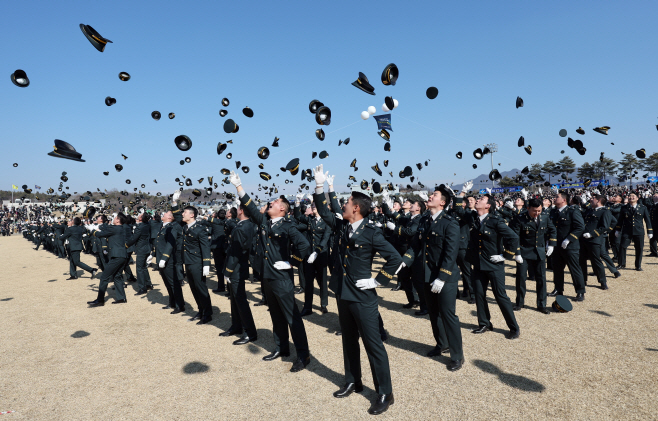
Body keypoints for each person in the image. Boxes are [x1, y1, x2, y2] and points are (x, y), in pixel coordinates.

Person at [313, 164, 401, 416]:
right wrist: (320, 186)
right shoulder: (342, 226)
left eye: (347, 201)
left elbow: (395, 259)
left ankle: (385, 392)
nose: (343, 204)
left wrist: (377, 281)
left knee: (374, 345)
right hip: (342, 292)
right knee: (349, 341)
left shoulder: (372, 232)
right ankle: (353, 380)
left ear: (356, 208)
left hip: (363, 297)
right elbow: (323, 210)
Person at [229, 170, 312, 373]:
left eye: (274, 202)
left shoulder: (288, 226)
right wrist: (239, 186)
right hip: (267, 277)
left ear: (282, 209)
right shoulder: (265, 222)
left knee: (292, 318)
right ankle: (281, 347)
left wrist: (292, 262)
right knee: (275, 315)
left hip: (282, 278)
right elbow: (251, 208)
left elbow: (304, 246)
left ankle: (303, 355)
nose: (270, 204)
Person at [398, 185, 464, 371]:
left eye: (434, 195)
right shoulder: (425, 220)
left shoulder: (450, 223)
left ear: (442, 202)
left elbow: (450, 254)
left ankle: (457, 355)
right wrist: (405, 261)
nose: (430, 196)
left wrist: (442, 277)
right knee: (433, 313)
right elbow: (416, 245)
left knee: (448, 315)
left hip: (445, 277)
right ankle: (441, 344)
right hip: (427, 274)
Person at [463, 194, 522, 339]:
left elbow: (514, 237)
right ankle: (484, 323)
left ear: (488, 205)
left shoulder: (495, 220)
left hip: (494, 265)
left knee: (500, 296)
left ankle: (514, 327)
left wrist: (505, 256)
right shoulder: (473, 218)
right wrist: (461, 195)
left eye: (481, 200)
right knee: (479, 294)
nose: (477, 200)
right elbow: (459, 210)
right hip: (478, 264)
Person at [219, 203, 258, 345]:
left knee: (240, 300)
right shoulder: (244, 224)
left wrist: (228, 271)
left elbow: (236, 252)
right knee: (235, 299)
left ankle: (250, 332)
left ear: (241, 211)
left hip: (236, 268)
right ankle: (236, 326)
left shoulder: (243, 227)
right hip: (236, 267)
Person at [172, 191, 213, 324]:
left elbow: (205, 246)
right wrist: (174, 203)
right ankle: (200, 310)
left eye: (185, 212)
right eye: (183, 212)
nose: (182, 214)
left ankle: (207, 313)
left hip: (197, 263)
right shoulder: (186, 226)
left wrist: (206, 264)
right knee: (193, 288)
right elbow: (177, 216)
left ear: (192, 215)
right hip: (188, 262)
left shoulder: (199, 228)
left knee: (201, 288)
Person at [510, 198, 556, 313]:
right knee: (521, 278)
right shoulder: (520, 218)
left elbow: (553, 230)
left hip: (539, 251)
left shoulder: (544, 217)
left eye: (539, 211)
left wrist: (551, 244)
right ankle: (519, 302)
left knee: (541, 278)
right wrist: (517, 253)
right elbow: (515, 237)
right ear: (528, 208)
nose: (537, 214)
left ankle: (541, 304)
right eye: (534, 211)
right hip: (524, 251)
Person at [293, 196, 331, 316]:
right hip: (309, 255)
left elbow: (325, 238)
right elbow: (298, 216)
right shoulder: (310, 219)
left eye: (315, 206)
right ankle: (307, 307)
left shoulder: (327, 221)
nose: (312, 207)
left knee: (322, 281)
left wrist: (317, 251)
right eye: (312, 206)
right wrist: (297, 203)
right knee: (308, 282)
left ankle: (323, 304)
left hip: (321, 254)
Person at [548, 191, 586, 301]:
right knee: (557, 269)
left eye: (557, 197)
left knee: (574, 269)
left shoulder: (572, 211)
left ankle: (580, 291)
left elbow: (580, 227)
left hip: (570, 246)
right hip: (556, 245)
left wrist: (569, 239)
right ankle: (558, 289)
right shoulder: (553, 212)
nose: (554, 198)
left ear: (564, 200)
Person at [87, 213, 130, 306]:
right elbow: (106, 231)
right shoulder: (121, 228)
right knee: (117, 276)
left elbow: (100, 234)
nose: (114, 219)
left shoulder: (114, 228)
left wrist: (92, 230)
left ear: (118, 220)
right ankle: (121, 297)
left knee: (104, 277)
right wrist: (97, 229)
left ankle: (100, 300)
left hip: (116, 256)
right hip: (122, 255)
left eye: (115, 218)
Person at [154, 209, 185, 313]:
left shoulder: (173, 226)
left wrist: (164, 258)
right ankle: (172, 302)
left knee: (173, 283)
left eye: (165, 213)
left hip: (168, 259)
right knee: (167, 283)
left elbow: (169, 244)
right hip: (160, 258)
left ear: (170, 217)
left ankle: (179, 305)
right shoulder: (163, 226)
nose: (163, 214)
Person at [579, 194, 612, 289]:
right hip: (583, 239)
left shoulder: (605, 211)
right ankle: (583, 280)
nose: (590, 200)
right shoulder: (589, 210)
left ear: (598, 200)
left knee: (596, 261)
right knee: (581, 261)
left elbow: (604, 226)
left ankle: (602, 282)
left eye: (592, 198)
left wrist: (592, 234)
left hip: (594, 240)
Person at [615, 192, 653, 271]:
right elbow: (620, 220)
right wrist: (618, 230)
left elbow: (647, 220)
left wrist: (650, 231)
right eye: (629, 196)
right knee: (622, 247)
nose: (631, 197)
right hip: (627, 231)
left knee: (639, 248)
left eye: (633, 196)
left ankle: (638, 265)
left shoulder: (643, 208)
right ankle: (621, 263)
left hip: (639, 231)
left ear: (637, 198)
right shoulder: (624, 208)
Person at [126, 212, 154, 295]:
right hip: (147, 248)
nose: (138, 215)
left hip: (141, 249)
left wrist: (126, 245)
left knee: (139, 268)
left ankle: (142, 288)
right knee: (144, 267)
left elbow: (134, 238)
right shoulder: (147, 224)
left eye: (140, 214)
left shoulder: (140, 227)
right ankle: (148, 284)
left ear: (141, 218)